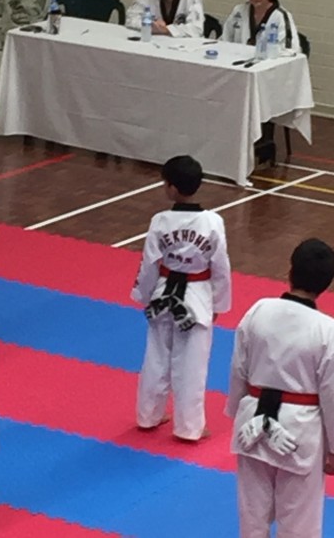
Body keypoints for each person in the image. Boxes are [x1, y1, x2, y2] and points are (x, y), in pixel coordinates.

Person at [226, 238, 334, 538]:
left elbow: (239, 368)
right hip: (300, 431)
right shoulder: (327, 331)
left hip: (252, 424)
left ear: (290, 271)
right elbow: (331, 394)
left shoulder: (258, 310)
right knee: (299, 523)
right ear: (327, 284)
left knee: (252, 517)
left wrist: (236, 411)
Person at [131, 155, 231, 441]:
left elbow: (149, 263)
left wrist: (144, 294)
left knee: (156, 358)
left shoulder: (160, 221)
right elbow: (220, 265)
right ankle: (189, 428)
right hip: (197, 300)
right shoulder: (213, 222)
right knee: (192, 366)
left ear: (171, 188)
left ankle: (148, 415)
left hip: (163, 295)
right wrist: (219, 302)